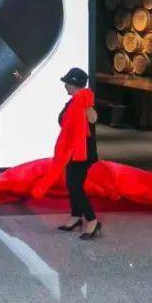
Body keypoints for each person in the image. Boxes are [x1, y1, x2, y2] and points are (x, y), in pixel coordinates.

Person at [55, 67, 102, 240]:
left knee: (75, 186)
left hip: (82, 153)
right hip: (73, 151)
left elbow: (93, 118)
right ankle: (75, 216)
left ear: (74, 84)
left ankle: (92, 220)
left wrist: (87, 107)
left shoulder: (84, 100)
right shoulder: (74, 100)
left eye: (67, 83)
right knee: (72, 184)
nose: (65, 86)